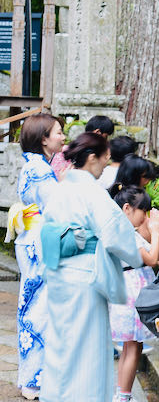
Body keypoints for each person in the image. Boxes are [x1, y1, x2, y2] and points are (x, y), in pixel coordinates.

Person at [39, 133, 142, 402]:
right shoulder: (90, 191)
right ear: (92, 158)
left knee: (61, 345)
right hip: (84, 278)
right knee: (87, 349)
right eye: (105, 160)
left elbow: (47, 228)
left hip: (59, 272)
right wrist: (139, 255)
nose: (106, 166)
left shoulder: (61, 188)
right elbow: (117, 233)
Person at [7, 113, 65, 400]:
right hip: (40, 242)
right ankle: (34, 380)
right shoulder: (40, 170)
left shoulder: (36, 165)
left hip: (32, 239)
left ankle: (33, 378)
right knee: (39, 309)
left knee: (33, 308)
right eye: (58, 132)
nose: (63, 137)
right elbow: (56, 207)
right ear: (44, 138)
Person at [108, 186, 159, 402]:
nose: (145, 217)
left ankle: (121, 394)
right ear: (127, 208)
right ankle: (123, 396)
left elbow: (156, 255)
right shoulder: (125, 234)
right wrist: (157, 230)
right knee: (133, 348)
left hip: (131, 290)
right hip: (132, 293)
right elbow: (152, 260)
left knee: (129, 347)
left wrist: (153, 232)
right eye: (143, 210)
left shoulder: (126, 232)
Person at [51, 114, 115, 180]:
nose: (106, 141)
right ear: (98, 132)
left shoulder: (68, 148)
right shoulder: (91, 154)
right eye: (106, 136)